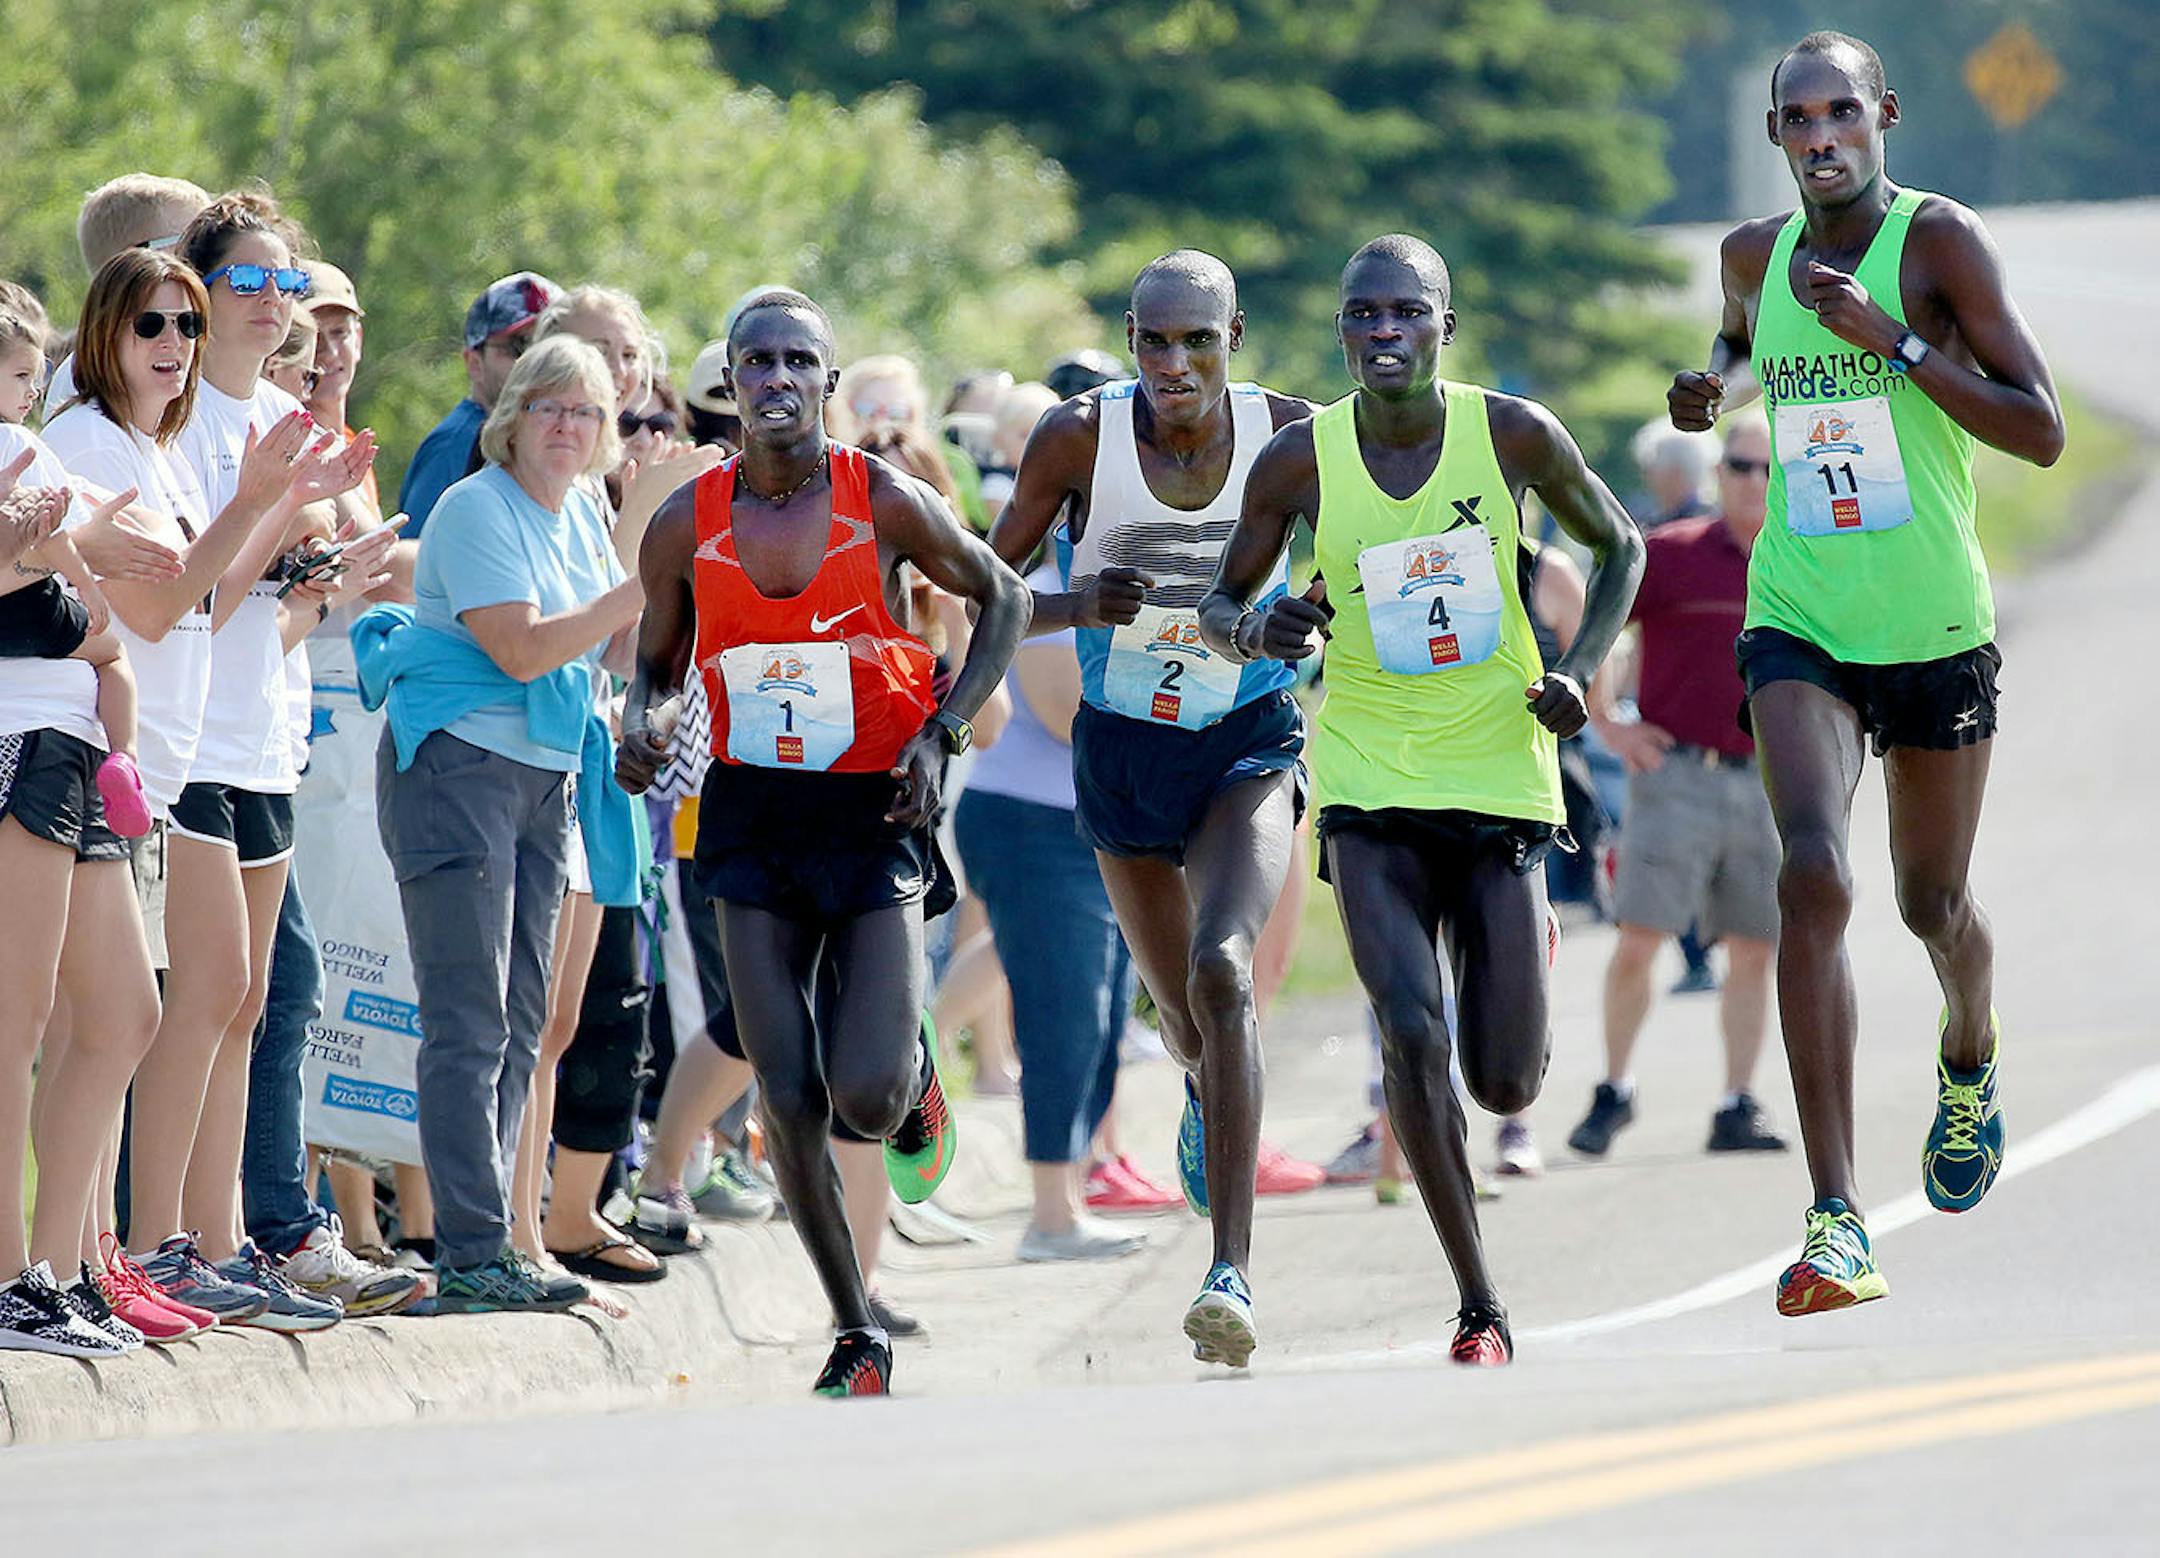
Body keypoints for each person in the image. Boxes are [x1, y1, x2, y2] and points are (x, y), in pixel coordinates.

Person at [1669, 30, 2064, 1317]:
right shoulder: (1754, 254)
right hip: (1798, 617)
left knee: (1929, 903)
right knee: (1812, 874)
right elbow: (1738, 339)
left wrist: (1897, 345)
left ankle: (1969, 1051)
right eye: (1799, 117)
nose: (1822, 134)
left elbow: (2043, 429)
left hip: (1933, 626)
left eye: (1844, 111)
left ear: (1884, 115)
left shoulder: (1938, 245)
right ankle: (1837, 1218)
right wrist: (1713, 385)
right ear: (1776, 134)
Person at [1201, 233, 1643, 1367]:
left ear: (1445, 324)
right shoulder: (1302, 461)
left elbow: (1621, 545)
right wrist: (1265, 626)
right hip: (1367, 779)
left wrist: (1576, 669)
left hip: (1498, 774)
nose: (1383, 333)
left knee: (1502, 1080)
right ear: (1341, 329)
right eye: (1362, 315)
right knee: (1408, 1030)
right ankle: (1479, 1304)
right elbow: (1222, 605)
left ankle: (1524, 936)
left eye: (1406, 313)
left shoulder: (1510, 434)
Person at [615, 287, 1029, 1398]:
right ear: (733, 384)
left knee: (867, 1100)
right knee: (787, 1092)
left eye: (801, 359)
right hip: (749, 820)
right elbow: (657, 665)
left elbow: (1005, 596)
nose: (779, 378)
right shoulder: (684, 522)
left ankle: (906, 1073)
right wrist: (644, 725)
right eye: (759, 361)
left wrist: (941, 732)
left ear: (828, 383)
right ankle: (853, 1327)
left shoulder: (880, 499)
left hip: (873, 816)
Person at [991, 250, 1320, 1370]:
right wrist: (1077, 600)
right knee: (1184, 1012)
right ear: (1129, 341)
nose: (1174, 363)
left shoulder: (1293, 435)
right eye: (1153, 340)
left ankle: (1229, 1269)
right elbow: (990, 598)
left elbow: (1369, 571)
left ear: (1237, 334)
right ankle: (1194, 1074)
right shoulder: (1077, 436)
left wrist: (1310, 621)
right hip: (1124, 748)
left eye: (1198, 340)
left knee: (1225, 969)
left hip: (1247, 740)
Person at [36, 248, 323, 1342]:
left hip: (147, 767)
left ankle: (93, 1263)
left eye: (186, 328)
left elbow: (195, 600)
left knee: (122, 1017)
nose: (171, 346)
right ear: (104, 331)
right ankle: (69, 1264)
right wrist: (262, 497)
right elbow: (154, 614)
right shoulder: (84, 445)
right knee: (98, 1021)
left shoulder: (147, 451)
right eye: (150, 325)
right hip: (80, 757)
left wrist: (279, 502)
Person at [131, 191, 374, 1332]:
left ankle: (219, 1243)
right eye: (249, 282)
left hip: (267, 738)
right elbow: (200, 597)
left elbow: (271, 603)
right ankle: (157, 1240)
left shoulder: (281, 415)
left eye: (288, 285)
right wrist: (281, 512)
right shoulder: (175, 417)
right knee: (202, 997)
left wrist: (320, 544)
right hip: (189, 746)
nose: (275, 305)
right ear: (195, 286)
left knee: (250, 1004)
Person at [364, 334, 645, 1313]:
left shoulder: (576, 514)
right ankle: (472, 1249)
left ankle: (504, 1239)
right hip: (457, 766)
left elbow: (613, 652)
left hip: (544, 773)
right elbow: (522, 649)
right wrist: (640, 584)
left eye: (589, 412)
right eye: (552, 406)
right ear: (513, 415)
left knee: (526, 1020)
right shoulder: (478, 504)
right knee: (469, 1019)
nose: (569, 426)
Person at [1567, 417, 1789, 1160]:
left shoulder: (1806, 559)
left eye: (1766, 466)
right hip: (1676, 775)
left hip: (1767, 782)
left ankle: (1736, 1102)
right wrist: (1608, 724)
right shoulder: (1673, 553)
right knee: (1640, 940)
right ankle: (1615, 1088)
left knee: (1754, 948)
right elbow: (1600, 626)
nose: (1753, 479)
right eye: (1739, 465)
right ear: (1716, 472)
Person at [954, 558, 1156, 1261]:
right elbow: (1066, 712)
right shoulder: (1045, 587)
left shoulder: (1129, 571)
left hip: (1097, 828)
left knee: (1101, 1019)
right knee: (1062, 1018)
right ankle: (1049, 1216)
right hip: (1029, 824)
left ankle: (1067, 1201)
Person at [0, 308, 153, 841]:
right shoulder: (21, 445)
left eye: (37, 379)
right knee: (112, 654)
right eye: (21, 376)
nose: (32, 394)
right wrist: (86, 584)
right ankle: (126, 757)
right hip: (33, 612)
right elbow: (54, 532)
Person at [397, 271, 558, 533]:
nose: (537, 362)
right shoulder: (454, 443)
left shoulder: (565, 438)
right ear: (475, 363)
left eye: (551, 346)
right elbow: (411, 559)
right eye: (520, 346)